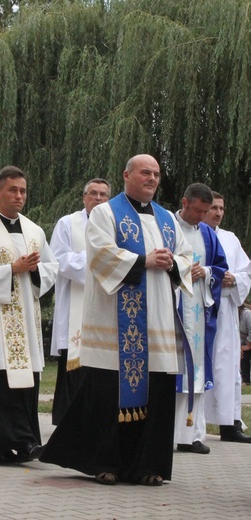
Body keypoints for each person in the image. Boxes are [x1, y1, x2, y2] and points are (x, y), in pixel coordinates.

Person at [40, 154, 193, 486]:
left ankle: (149, 466)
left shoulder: (168, 219)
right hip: (115, 326)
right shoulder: (106, 214)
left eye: (156, 174)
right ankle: (105, 463)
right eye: (144, 173)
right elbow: (99, 254)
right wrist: (143, 260)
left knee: (158, 395)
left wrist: (173, 263)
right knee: (108, 396)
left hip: (158, 328)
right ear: (127, 175)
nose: (152, 178)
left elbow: (186, 256)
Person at [0, 165, 58, 463]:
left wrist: (33, 271)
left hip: (26, 324)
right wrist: (11, 270)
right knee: (3, 389)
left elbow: (52, 268)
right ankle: (8, 444)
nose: (19, 196)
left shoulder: (35, 231)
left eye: (23, 191)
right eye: (12, 190)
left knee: (26, 386)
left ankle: (26, 441)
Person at [49, 179, 110, 425]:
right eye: (93, 194)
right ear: (84, 197)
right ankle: (67, 421)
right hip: (75, 307)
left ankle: (95, 422)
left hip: (105, 305)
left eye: (103, 195)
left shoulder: (115, 224)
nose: (98, 198)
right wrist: (96, 258)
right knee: (74, 366)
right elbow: (57, 259)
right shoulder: (67, 223)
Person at [173, 183, 226, 455]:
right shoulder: (167, 226)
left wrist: (205, 271)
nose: (201, 216)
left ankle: (191, 434)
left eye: (205, 211)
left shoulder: (207, 233)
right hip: (173, 312)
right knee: (173, 372)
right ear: (185, 202)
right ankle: (166, 434)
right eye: (197, 211)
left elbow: (220, 268)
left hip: (198, 313)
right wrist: (181, 272)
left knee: (195, 373)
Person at [203, 192, 251, 443]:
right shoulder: (194, 234)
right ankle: (194, 426)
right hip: (201, 311)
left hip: (226, 312)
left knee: (228, 367)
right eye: (213, 207)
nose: (218, 212)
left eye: (221, 208)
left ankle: (229, 425)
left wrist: (235, 280)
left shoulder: (230, 239)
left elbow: (246, 271)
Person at [240, 304, 251, 385]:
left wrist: (249, 345)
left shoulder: (247, 314)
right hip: (245, 340)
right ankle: (246, 380)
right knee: (243, 354)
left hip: (249, 339)